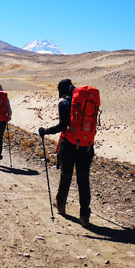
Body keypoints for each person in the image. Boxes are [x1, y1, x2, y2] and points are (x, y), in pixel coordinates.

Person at [38, 79, 95, 227]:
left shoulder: (64, 103)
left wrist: (45, 131)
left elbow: (63, 126)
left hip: (69, 145)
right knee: (83, 179)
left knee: (66, 175)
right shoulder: (87, 102)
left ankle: (61, 204)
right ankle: (84, 214)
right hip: (86, 146)